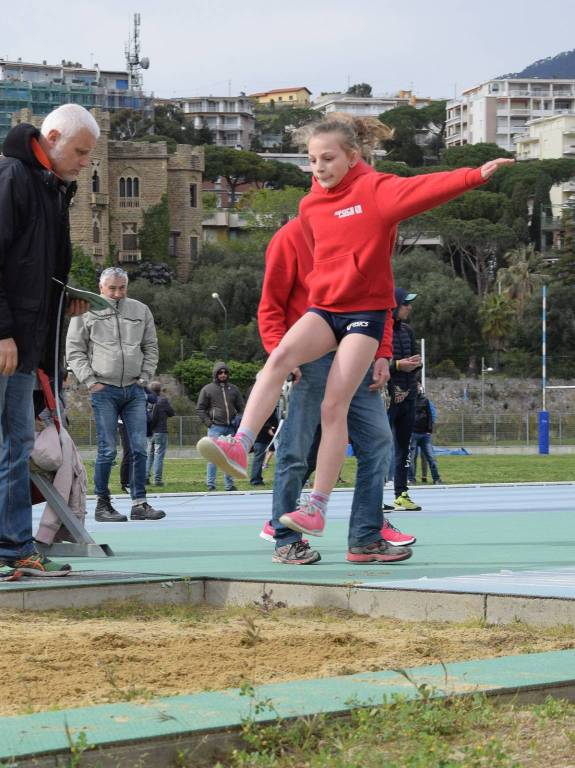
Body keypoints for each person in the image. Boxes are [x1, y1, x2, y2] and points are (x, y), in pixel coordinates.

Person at [197, 113, 513, 545]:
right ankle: (240, 441)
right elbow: (277, 299)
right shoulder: (309, 206)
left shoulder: (376, 191)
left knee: (334, 407)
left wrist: (475, 174)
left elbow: (424, 189)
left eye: (327, 159)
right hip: (325, 310)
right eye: (311, 160)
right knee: (277, 360)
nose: (319, 168)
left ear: (353, 157)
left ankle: (317, 507)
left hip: (364, 315)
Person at [257, 218, 415, 564]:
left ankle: (365, 538)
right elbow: (271, 304)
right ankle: (286, 541)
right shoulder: (290, 237)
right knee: (295, 452)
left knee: (378, 443)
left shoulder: (364, 232)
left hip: (357, 356)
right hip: (310, 360)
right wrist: (281, 353)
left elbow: (382, 300)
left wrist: (384, 353)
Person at [0, 103, 99, 575]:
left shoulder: (54, 189)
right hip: (6, 341)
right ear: (53, 136)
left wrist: (66, 304)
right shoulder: (13, 178)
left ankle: (15, 549)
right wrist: (2, 333)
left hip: (27, 344)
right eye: (80, 152)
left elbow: (41, 276)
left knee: (16, 447)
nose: (85, 162)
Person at [66, 267, 165, 522]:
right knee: (107, 450)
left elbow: (151, 346)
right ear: (101, 288)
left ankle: (139, 503)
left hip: (134, 389)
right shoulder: (85, 310)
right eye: (112, 288)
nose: (118, 293)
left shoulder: (140, 310)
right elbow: (74, 349)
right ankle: (102, 504)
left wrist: (144, 377)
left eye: (122, 288)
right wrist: (90, 381)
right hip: (104, 389)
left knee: (140, 448)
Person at [387, 287, 424, 511]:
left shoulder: (408, 331)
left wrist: (415, 365)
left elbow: (414, 362)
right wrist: (398, 365)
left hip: (408, 397)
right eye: (405, 303)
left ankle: (401, 495)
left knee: (404, 447)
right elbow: (373, 365)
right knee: (379, 449)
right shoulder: (379, 330)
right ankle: (373, 498)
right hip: (388, 399)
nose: (409, 307)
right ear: (394, 306)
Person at [196, 362, 244, 492]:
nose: (223, 375)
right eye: (220, 372)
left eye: (225, 372)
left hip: (231, 428)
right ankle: (211, 484)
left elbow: (241, 408)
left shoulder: (234, 389)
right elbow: (200, 409)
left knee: (230, 458)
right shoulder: (207, 389)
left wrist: (238, 419)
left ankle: (229, 485)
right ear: (215, 374)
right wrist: (209, 423)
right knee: (213, 456)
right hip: (215, 427)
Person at [408, 383, 443, 485]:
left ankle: (436, 479)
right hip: (412, 434)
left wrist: (429, 430)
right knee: (410, 459)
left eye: (418, 387)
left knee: (431, 458)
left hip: (425, 435)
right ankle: (411, 479)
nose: (417, 389)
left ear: (420, 388)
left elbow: (430, 416)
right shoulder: (408, 401)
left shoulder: (425, 400)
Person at [146, 380, 175, 486]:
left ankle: (145, 477)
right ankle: (157, 480)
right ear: (160, 390)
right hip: (160, 431)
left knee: (149, 455)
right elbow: (171, 413)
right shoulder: (163, 400)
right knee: (159, 456)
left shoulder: (147, 401)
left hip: (149, 432)